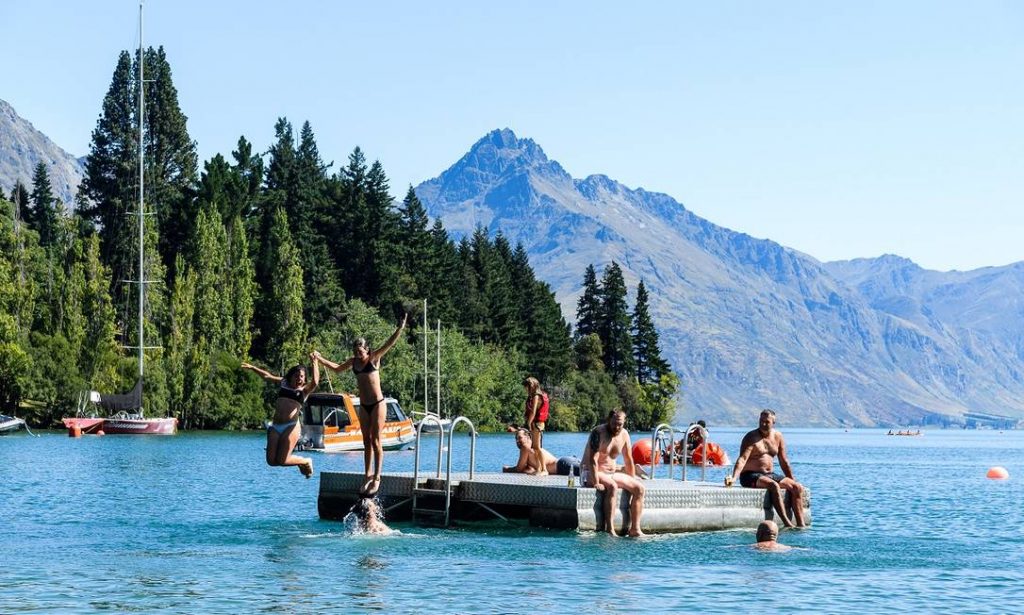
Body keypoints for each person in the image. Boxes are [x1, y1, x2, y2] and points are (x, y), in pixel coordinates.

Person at [314, 314, 407, 496]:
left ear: (367, 350)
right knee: (366, 441)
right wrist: (320, 359)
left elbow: (389, 343)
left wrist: (400, 328)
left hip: (378, 404)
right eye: (356, 352)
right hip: (364, 406)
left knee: (376, 440)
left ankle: (377, 476)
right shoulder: (353, 362)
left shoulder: (374, 358)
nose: (358, 355)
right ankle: (367, 475)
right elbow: (337, 369)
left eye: (361, 352)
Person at [240, 355, 320, 479]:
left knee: (282, 460)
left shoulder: (304, 391)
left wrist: (314, 362)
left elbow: (315, 382)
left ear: (304, 379)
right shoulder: (284, 383)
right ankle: (299, 462)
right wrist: (252, 367)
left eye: (302, 377)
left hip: (291, 426)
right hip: (276, 426)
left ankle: (305, 461)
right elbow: (267, 376)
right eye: (296, 376)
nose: (299, 379)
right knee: (271, 461)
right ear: (291, 376)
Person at [725, 409, 807, 528]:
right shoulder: (751, 437)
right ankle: (787, 524)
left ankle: (801, 525)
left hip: (769, 474)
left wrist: (792, 479)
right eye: (761, 421)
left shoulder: (778, 436)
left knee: (797, 487)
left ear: (773, 422)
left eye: (767, 422)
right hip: (750, 475)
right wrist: (734, 478)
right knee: (773, 486)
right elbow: (742, 459)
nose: (763, 424)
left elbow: (784, 461)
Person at [582, 409, 646, 537]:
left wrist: (631, 479)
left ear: (624, 423)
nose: (617, 427)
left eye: (620, 424)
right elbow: (592, 460)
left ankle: (635, 529)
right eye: (614, 423)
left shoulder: (624, 435)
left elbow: (628, 459)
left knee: (639, 488)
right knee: (612, 486)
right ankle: (610, 529)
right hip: (590, 471)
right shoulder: (598, 432)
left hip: (610, 473)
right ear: (608, 420)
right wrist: (596, 483)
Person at [522, 377, 550, 476]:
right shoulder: (532, 396)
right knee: (534, 447)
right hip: (534, 423)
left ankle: (544, 470)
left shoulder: (536, 396)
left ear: (532, 386)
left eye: (527, 387)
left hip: (537, 424)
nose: (525, 389)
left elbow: (533, 412)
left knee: (538, 447)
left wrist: (528, 423)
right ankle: (538, 469)